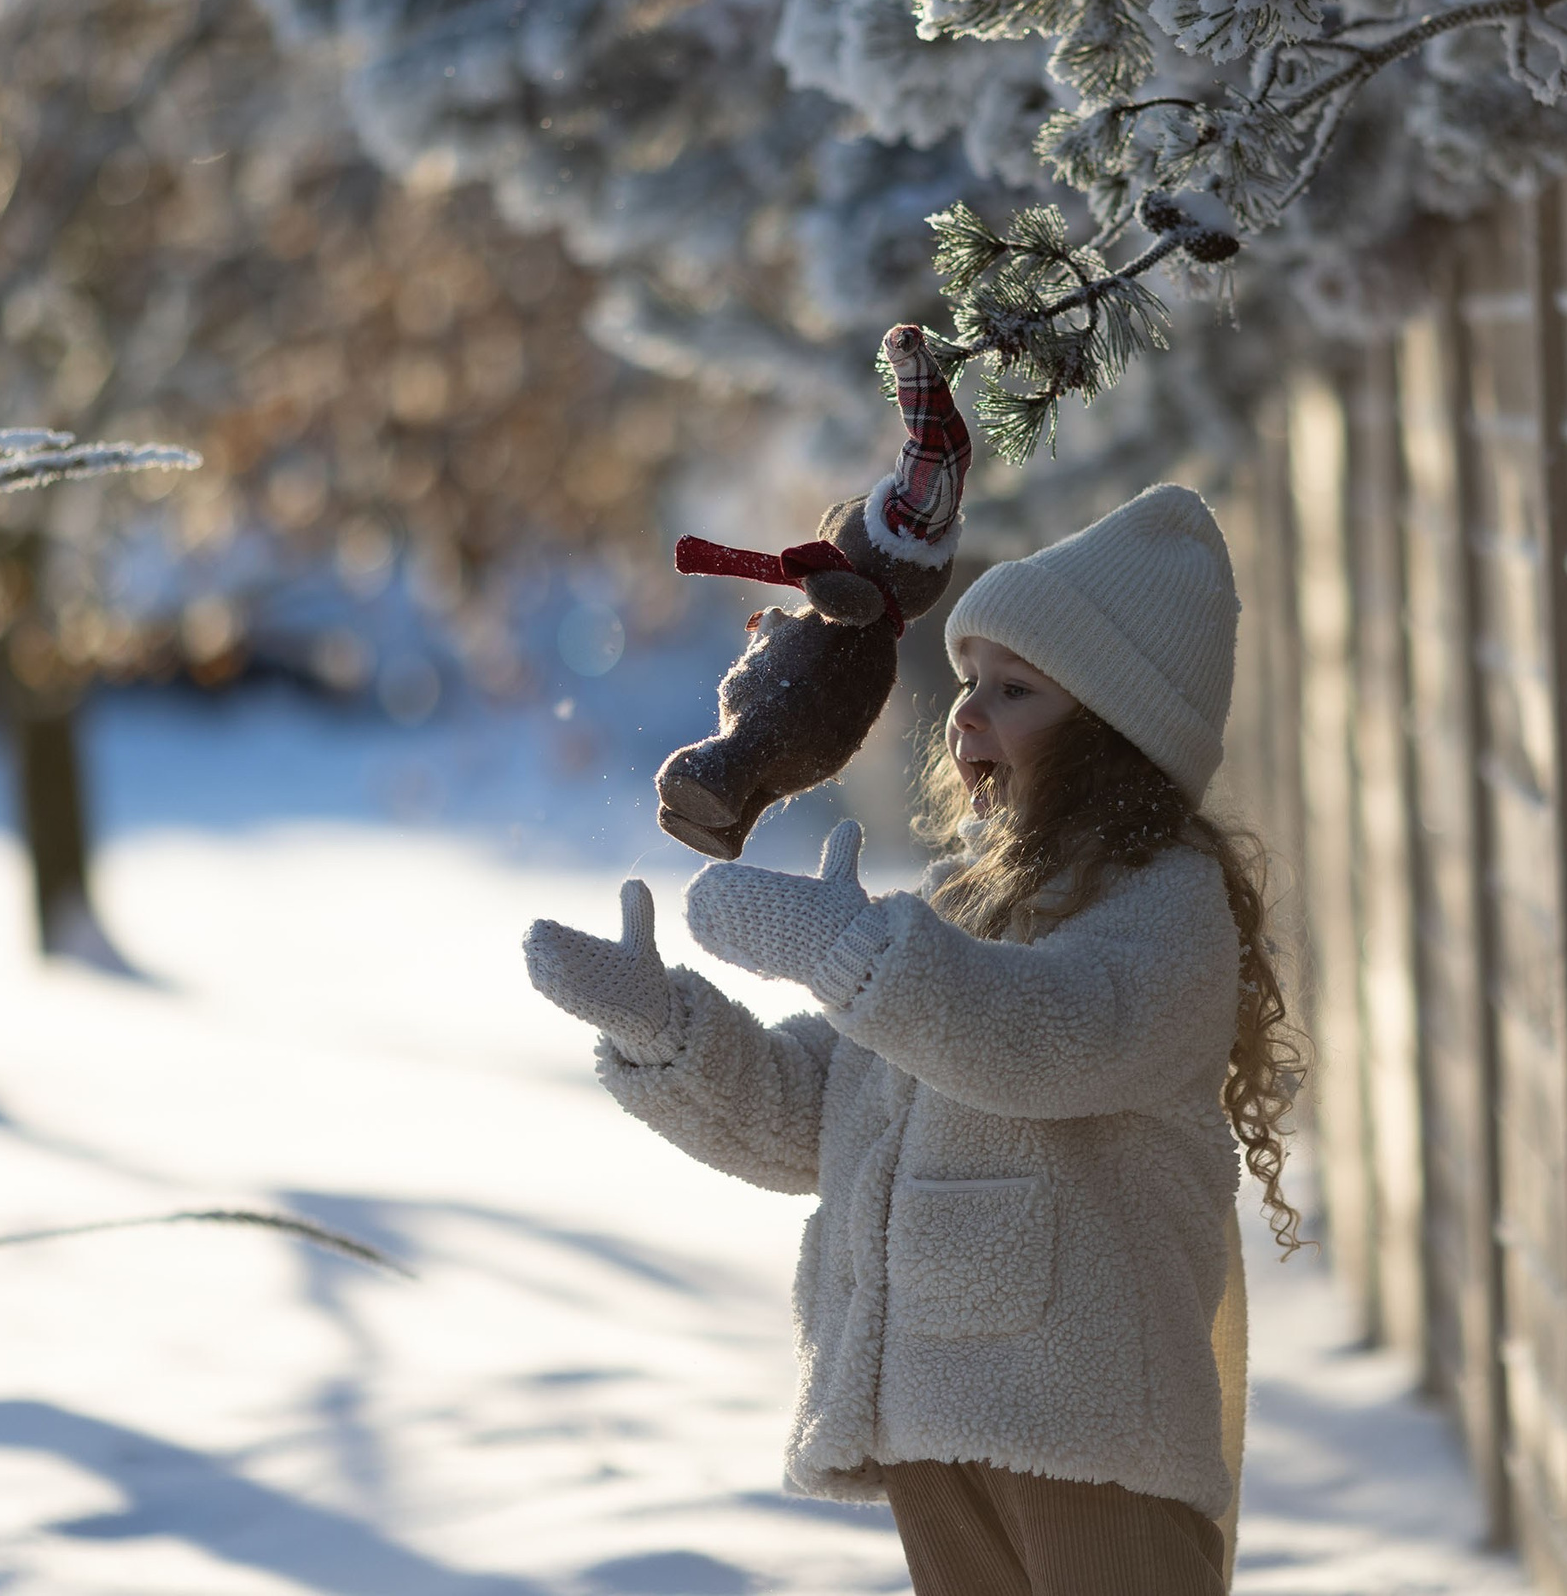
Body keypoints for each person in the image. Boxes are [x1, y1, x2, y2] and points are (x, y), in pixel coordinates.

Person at [522, 483, 1304, 1595]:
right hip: (931, 1411)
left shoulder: (1161, 910)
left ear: (1113, 732)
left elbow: (1043, 1038)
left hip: (1087, 1415)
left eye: (1014, 690)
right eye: (969, 681)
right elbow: (823, 1114)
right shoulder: (960, 904)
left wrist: (850, 952)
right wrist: (669, 1034)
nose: (965, 713)